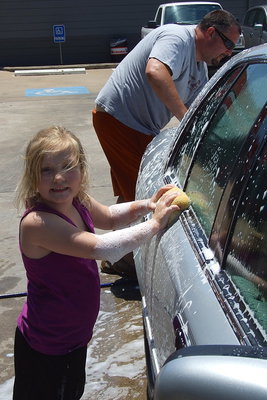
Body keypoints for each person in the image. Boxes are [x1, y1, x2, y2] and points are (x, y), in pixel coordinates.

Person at [12, 126, 180, 400]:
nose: (58, 177)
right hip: (47, 345)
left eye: (68, 167)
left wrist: (147, 205)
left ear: (82, 169)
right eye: (46, 170)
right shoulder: (37, 223)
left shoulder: (77, 201)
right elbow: (101, 247)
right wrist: (155, 225)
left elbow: (112, 216)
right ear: (33, 177)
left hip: (73, 338)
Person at [92, 9, 241, 275]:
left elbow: (201, 107)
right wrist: (185, 118)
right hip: (118, 119)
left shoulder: (200, 67)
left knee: (131, 190)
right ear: (210, 33)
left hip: (140, 127)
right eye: (228, 44)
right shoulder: (177, 37)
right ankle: (128, 261)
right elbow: (155, 72)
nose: (228, 53)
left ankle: (115, 256)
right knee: (143, 196)